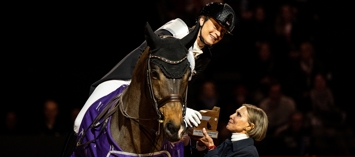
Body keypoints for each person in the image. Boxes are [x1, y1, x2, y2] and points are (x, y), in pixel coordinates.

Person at [73, 2, 237, 134]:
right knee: (80, 123)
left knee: (185, 140)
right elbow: (156, 68)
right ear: (202, 20)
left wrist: (183, 110)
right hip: (127, 81)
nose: (218, 33)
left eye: (222, 32)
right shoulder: (177, 29)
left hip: (158, 100)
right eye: (216, 26)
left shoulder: (204, 56)